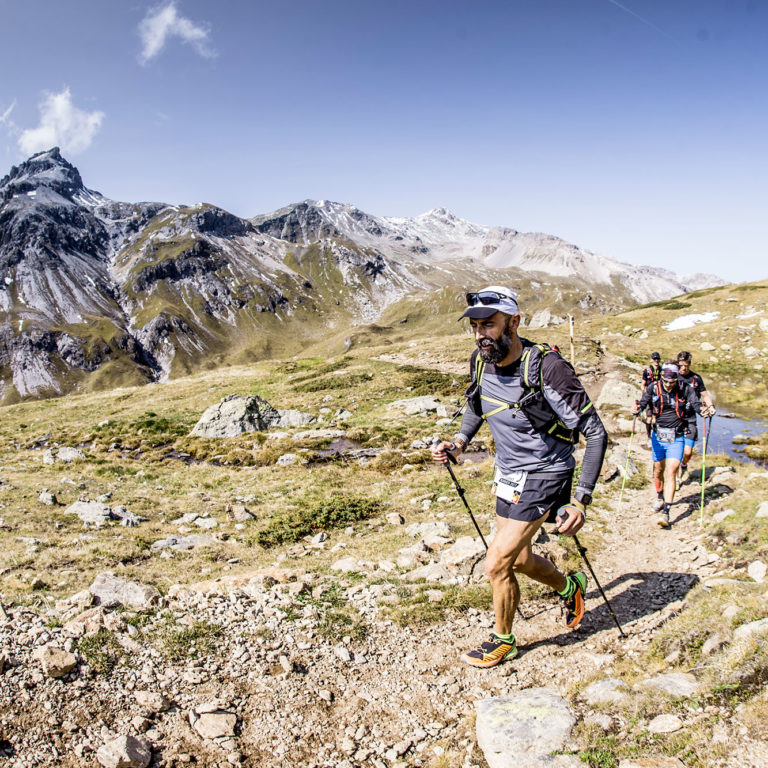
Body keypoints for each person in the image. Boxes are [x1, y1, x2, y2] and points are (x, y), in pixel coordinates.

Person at [431, 286, 607, 668]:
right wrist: (459, 442)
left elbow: (596, 433)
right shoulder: (481, 361)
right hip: (508, 473)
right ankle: (569, 586)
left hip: (547, 472)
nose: (481, 334)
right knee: (521, 558)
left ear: (514, 321)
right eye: (475, 327)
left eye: (489, 325)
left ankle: (503, 640)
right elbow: (478, 404)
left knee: (496, 562)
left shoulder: (547, 367)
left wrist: (581, 499)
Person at [631, 360, 714, 528]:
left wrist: (704, 410)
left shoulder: (685, 388)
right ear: (662, 377)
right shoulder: (653, 387)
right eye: (666, 382)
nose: (669, 385)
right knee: (658, 469)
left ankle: (666, 512)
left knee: (671, 470)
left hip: (677, 436)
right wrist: (636, 409)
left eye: (672, 382)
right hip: (658, 436)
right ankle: (660, 496)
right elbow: (643, 402)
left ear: (677, 379)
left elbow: (697, 404)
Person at [676, 351, 716, 485]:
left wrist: (710, 406)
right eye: (681, 365)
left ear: (689, 364)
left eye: (686, 365)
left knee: (687, 452)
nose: (683, 368)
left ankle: (684, 465)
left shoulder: (696, 379)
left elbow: (705, 395)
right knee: (677, 450)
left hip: (691, 419)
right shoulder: (673, 377)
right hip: (675, 419)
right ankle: (676, 476)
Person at [641, 352, 662, 440]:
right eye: (654, 359)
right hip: (649, 397)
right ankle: (648, 435)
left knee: (657, 418)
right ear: (651, 360)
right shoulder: (647, 371)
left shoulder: (662, 370)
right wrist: (645, 394)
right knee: (649, 417)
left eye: (657, 359)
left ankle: (655, 434)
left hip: (659, 397)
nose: (656, 361)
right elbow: (643, 384)